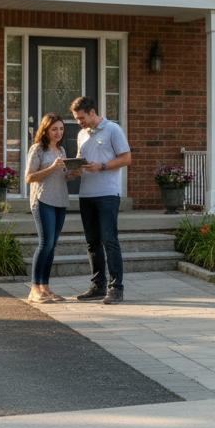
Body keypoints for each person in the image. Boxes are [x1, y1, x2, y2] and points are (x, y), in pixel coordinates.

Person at [70, 96, 131, 304]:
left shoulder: (113, 129)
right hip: (86, 194)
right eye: (77, 118)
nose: (79, 122)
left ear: (93, 112)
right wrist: (76, 169)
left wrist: (102, 166)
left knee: (110, 240)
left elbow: (126, 158)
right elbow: (82, 159)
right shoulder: (81, 134)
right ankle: (97, 286)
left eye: (81, 118)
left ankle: (116, 288)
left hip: (107, 194)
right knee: (92, 242)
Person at [23, 112, 77, 303]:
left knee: (52, 246)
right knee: (45, 244)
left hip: (60, 201)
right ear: (45, 130)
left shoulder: (61, 151)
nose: (58, 132)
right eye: (54, 129)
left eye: (61, 129)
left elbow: (63, 177)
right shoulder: (37, 149)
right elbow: (29, 178)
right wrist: (52, 168)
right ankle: (34, 288)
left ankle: (45, 288)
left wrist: (74, 172)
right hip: (43, 201)